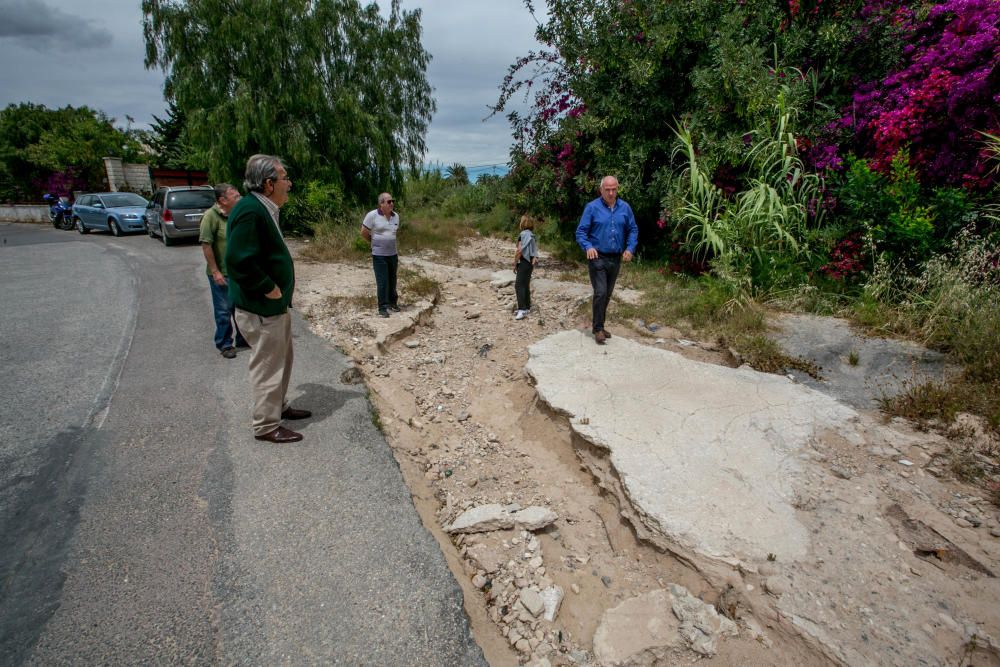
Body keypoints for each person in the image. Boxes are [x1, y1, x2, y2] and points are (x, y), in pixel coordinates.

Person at [225, 155, 311, 444]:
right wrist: (268, 287)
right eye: (285, 178)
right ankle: (265, 424)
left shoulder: (265, 208)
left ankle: (279, 407)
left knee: (282, 360)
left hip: (274, 307)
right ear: (269, 183)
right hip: (261, 307)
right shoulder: (250, 211)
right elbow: (238, 261)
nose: (290, 183)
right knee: (267, 365)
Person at [575, 176, 639, 345]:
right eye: (607, 189)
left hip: (615, 258)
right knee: (601, 292)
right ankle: (597, 329)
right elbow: (581, 232)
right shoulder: (592, 208)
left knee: (607, 294)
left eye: (614, 189)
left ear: (617, 189)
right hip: (597, 257)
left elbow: (633, 229)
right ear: (601, 190)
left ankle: (600, 325)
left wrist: (630, 248)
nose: (611, 193)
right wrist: (588, 246)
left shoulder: (625, 208)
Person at [200, 183, 247, 358]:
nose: (239, 198)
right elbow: (206, 245)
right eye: (235, 197)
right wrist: (215, 272)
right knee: (223, 310)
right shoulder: (210, 217)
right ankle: (225, 344)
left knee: (240, 308)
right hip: (222, 273)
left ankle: (243, 339)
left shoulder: (236, 214)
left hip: (238, 272)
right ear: (223, 200)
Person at [360, 192, 400, 318]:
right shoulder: (372, 215)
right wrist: (374, 242)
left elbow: (393, 233)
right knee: (382, 282)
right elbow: (364, 232)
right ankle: (382, 307)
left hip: (393, 254)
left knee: (392, 280)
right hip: (379, 255)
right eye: (388, 202)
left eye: (392, 201)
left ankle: (392, 303)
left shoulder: (396, 216)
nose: (391, 203)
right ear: (381, 204)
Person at [513, 214, 538, 320]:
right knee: (525, 284)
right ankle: (527, 307)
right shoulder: (532, 235)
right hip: (530, 263)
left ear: (522, 223)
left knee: (518, 285)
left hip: (524, 262)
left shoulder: (522, 234)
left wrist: (514, 263)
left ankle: (522, 309)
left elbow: (519, 250)